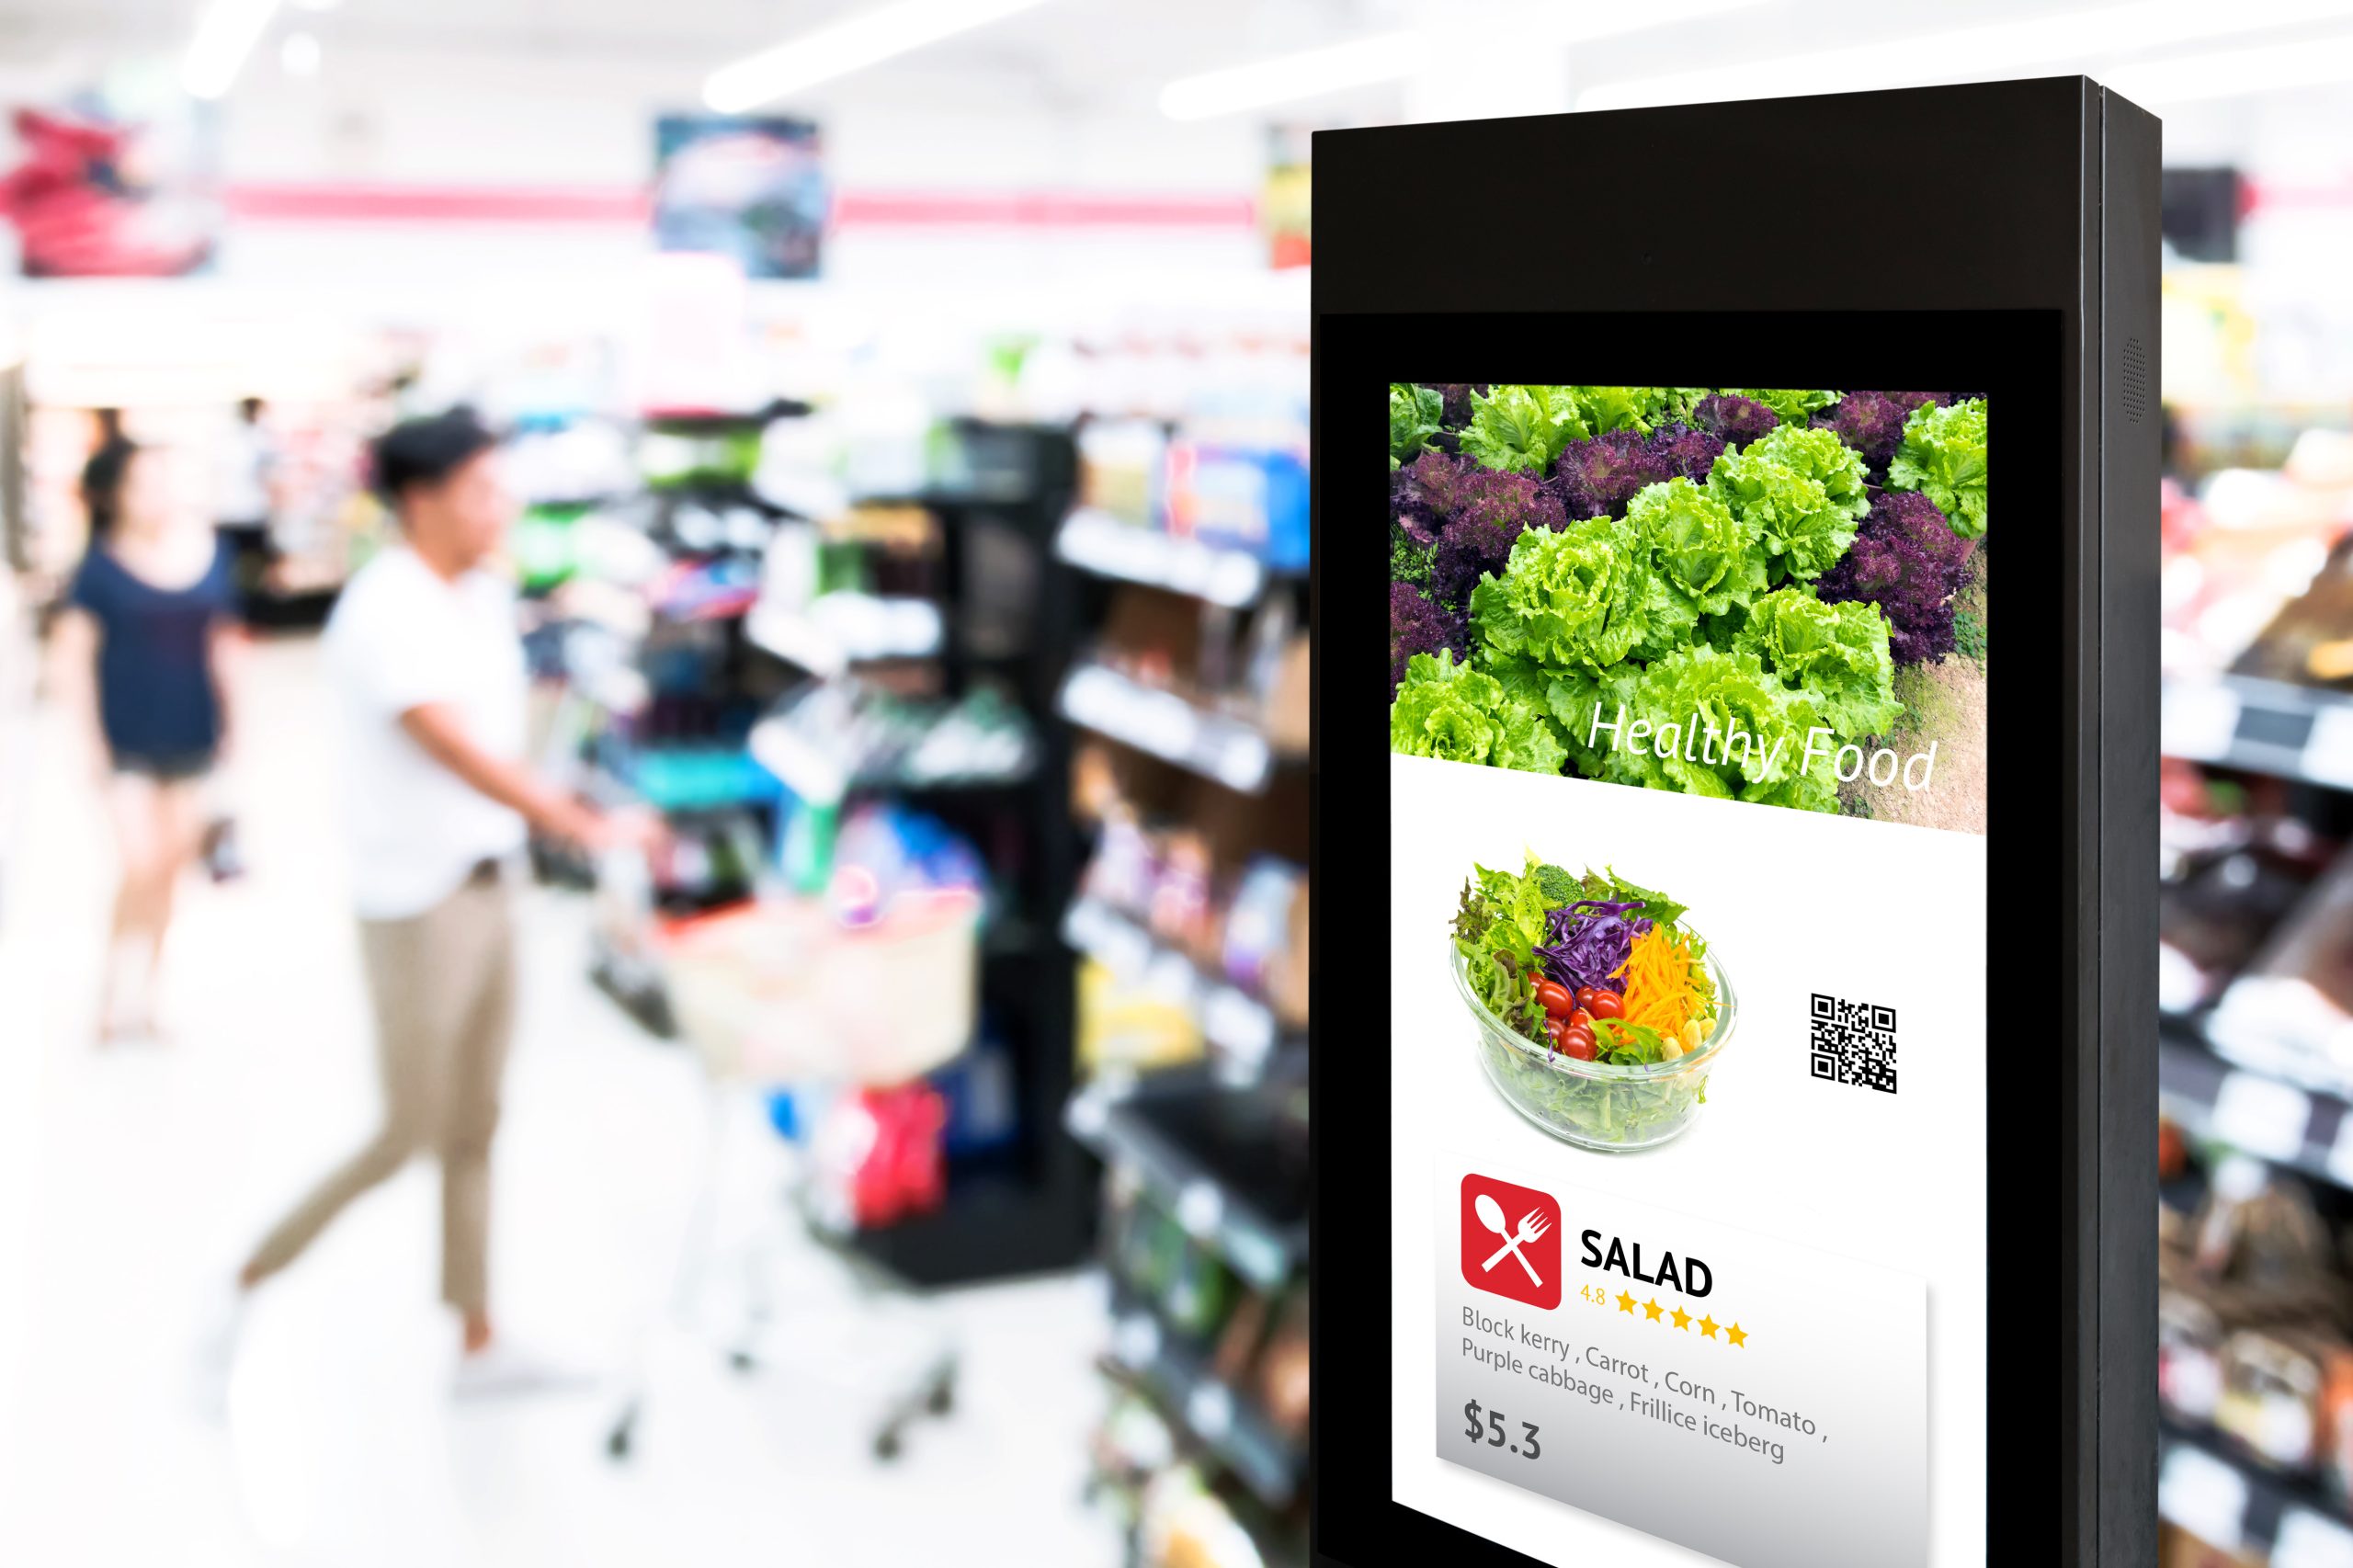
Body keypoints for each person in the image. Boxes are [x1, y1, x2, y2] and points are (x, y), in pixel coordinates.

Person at [200, 407, 649, 1405]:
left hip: (491, 883)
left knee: (477, 1122)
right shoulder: (383, 609)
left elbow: (506, 728)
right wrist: (584, 821)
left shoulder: (480, 595)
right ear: (423, 499)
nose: (504, 507)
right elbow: (459, 748)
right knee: (404, 1129)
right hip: (417, 902)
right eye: (484, 489)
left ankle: (478, 1336)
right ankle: (241, 1282)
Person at [51, 437, 244, 1043]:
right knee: (140, 862)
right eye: (143, 483)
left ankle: (152, 996)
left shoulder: (208, 555)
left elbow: (224, 645)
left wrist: (238, 726)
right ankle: (112, 992)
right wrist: (90, 747)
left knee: (171, 868)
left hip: (191, 734)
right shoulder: (98, 570)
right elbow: (72, 662)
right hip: (127, 738)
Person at [215, 396, 277, 603]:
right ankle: (251, 609)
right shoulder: (259, 439)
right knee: (255, 567)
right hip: (251, 515)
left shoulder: (226, 438)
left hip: (230, 514)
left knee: (233, 567)